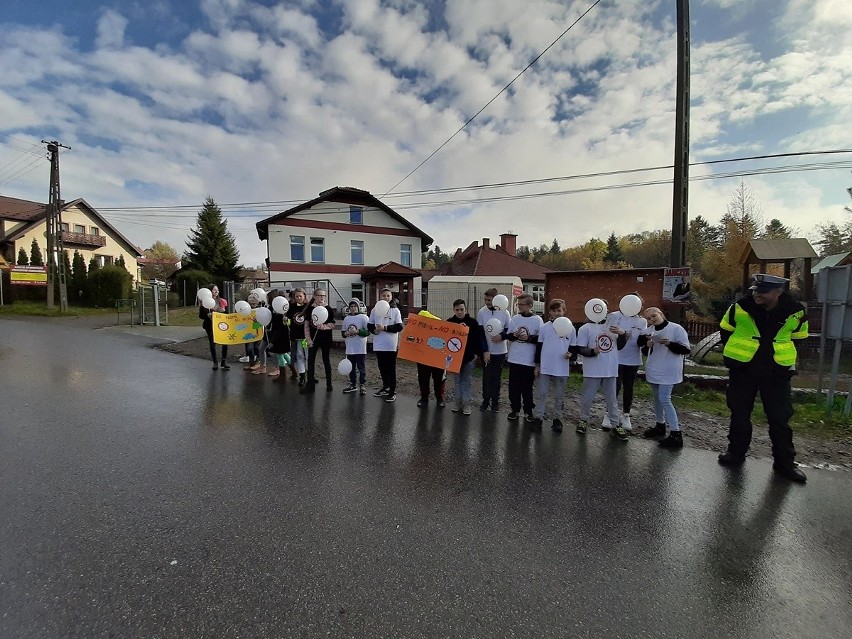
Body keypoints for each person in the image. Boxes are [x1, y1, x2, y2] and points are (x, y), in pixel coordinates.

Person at [717, 274, 809, 483]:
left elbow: (799, 338)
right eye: (755, 290)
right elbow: (725, 331)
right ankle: (736, 453)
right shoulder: (740, 307)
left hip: (777, 372)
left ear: (778, 292)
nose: (757, 294)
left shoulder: (795, 312)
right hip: (743, 369)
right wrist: (738, 356)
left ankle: (785, 463)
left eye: (763, 291)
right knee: (739, 414)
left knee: (780, 418)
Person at [638, 307, 691, 448]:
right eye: (648, 319)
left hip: (669, 370)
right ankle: (660, 425)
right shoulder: (649, 331)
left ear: (661, 314)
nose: (651, 320)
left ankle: (676, 433)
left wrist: (669, 344)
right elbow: (643, 349)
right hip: (654, 368)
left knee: (665, 399)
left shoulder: (676, 329)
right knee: (657, 399)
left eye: (654, 316)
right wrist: (647, 345)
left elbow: (686, 349)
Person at [574, 308, 626, 438]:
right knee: (587, 397)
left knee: (612, 399)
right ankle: (583, 420)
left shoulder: (612, 326)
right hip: (593, 369)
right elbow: (580, 348)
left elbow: (620, 346)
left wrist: (622, 334)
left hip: (610, 369)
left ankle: (615, 424)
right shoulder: (585, 328)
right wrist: (592, 352)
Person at [532, 299, 575, 433]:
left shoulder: (571, 328)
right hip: (546, 367)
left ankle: (557, 419)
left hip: (561, 368)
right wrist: (537, 365)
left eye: (559, 310)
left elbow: (574, 348)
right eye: (554, 310)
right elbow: (538, 348)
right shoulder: (545, 328)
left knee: (559, 396)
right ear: (550, 312)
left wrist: (571, 355)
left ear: (564, 311)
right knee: (542, 394)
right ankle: (538, 418)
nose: (557, 313)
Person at [607, 296, 648, 432]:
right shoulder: (614, 316)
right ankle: (610, 414)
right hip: (616, 357)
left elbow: (640, 340)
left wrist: (647, 339)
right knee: (615, 386)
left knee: (628, 387)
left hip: (633, 359)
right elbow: (606, 332)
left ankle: (626, 415)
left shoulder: (641, 321)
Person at [504, 293, 543, 422]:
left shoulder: (537, 320)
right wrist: (514, 335)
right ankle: (514, 409)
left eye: (522, 304)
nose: (519, 307)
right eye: (518, 304)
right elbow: (508, 335)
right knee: (513, 387)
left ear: (530, 306)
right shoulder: (515, 318)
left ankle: (528, 411)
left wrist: (529, 338)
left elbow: (541, 339)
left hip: (528, 361)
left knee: (527, 388)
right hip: (515, 358)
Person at [446, 299, 485, 415]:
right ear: (453, 310)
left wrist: (477, 354)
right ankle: (457, 402)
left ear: (465, 309)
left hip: (468, 357)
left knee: (466, 381)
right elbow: (446, 338)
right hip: (455, 358)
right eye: (457, 310)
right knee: (457, 380)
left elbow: (477, 339)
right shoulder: (449, 322)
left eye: (461, 309)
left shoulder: (472, 322)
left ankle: (467, 404)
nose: (459, 312)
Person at [477, 288, 512, 413]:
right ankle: (485, 400)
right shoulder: (482, 312)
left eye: (489, 300)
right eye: (485, 300)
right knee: (487, 377)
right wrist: (485, 351)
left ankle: (495, 402)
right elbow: (481, 333)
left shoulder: (505, 313)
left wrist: (501, 336)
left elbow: (509, 330)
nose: (487, 302)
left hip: (500, 351)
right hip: (487, 352)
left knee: (496, 378)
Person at [369, 288, 404, 403]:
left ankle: (392, 391)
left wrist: (385, 328)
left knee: (390, 368)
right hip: (379, 344)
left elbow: (399, 327)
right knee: (382, 367)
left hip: (390, 345)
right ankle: (385, 387)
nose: (386, 298)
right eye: (384, 296)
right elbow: (370, 325)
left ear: (391, 297)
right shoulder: (375, 309)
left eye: (388, 296)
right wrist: (374, 330)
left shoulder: (395, 310)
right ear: (380, 297)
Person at [300, 288, 336, 394]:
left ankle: (329, 384)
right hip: (313, 339)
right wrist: (308, 339)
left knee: (326, 360)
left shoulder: (328, 309)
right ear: (314, 297)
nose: (321, 298)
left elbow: (332, 324)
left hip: (325, 339)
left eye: (323, 296)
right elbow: (306, 325)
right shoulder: (310, 309)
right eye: (319, 295)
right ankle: (310, 384)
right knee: (310, 360)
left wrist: (323, 326)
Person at [416, 309, 447, 408]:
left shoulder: (439, 325)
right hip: (422, 357)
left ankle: (439, 398)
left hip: (437, 357)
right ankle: (424, 398)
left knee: (439, 378)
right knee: (423, 378)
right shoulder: (417, 326)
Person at [341, 298, 369, 395]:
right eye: (351, 306)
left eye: (355, 306)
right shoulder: (347, 318)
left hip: (360, 347)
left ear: (358, 307)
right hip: (350, 348)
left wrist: (358, 331)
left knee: (361, 367)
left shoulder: (364, 318)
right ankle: (353, 384)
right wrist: (346, 333)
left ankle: (362, 384)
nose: (353, 308)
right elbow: (343, 332)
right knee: (351, 367)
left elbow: (367, 332)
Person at [199, 284, 229, 370]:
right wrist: (207, 315)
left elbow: (227, 313)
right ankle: (215, 362)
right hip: (210, 325)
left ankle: (224, 360)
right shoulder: (204, 302)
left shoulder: (222, 301)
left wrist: (223, 311)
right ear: (209, 291)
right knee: (212, 343)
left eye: (217, 290)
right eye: (214, 290)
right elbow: (201, 316)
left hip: (221, 324)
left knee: (225, 342)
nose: (216, 292)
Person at [266, 289, 292, 380]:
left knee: (280, 354)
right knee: (284, 354)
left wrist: (273, 340)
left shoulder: (278, 310)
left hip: (280, 335)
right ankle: (294, 372)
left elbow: (279, 326)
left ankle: (283, 376)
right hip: (281, 334)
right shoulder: (277, 309)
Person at [286, 288, 309, 387]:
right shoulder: (291, 307)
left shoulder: (308, 307)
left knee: (308, 355)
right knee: (299, 355)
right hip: (297, 337)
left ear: (304, 296)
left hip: (306, 337)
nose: (299, 298)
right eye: (297, 296)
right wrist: (286, 320)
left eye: (300, 296)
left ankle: (310, 375)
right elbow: (289, 321)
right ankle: (302, 375)